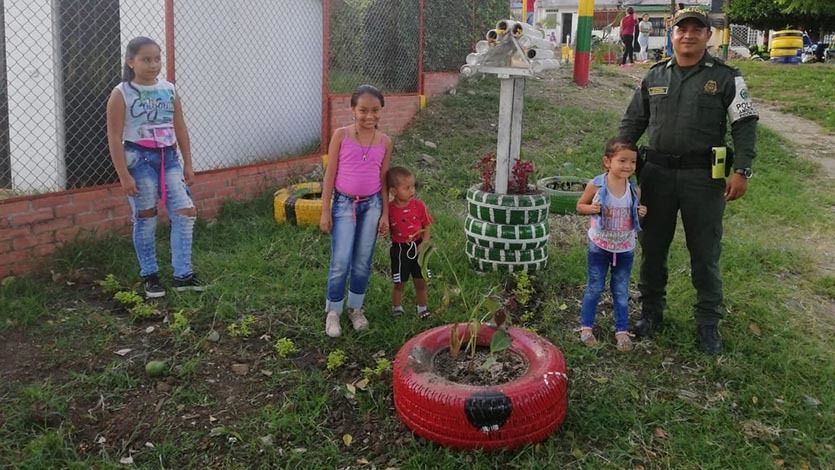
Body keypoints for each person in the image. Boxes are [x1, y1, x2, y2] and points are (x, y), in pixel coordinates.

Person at [619, 7, 758, 354]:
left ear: (708, 35)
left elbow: (745, 124)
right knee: (653, 248)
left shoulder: (727, 77)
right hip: (657, 176)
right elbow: (633, 121)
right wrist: (618, 163)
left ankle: (708, 324)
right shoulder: (654, 76)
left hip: (704, 178)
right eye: (682, 29)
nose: (689, 35)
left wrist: (742, 170)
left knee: (705, 251)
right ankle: (651, 312)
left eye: (697, 29)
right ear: (672, 33)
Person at [106, 36, 205, 299]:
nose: (153, 64)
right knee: (146, 216)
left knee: (185, 211)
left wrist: (188, 164)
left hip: (169, 158)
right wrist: (124, 176)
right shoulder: (121, 93)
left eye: (157, 58)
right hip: (139, 160)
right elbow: (114, 137)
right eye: (146, 59)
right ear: (131, 61)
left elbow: (180, 128)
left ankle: (183, 274)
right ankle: (150, 275)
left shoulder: (169, 89)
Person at [320, 84, 391, 338]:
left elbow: (384, 180)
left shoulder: (385, 141)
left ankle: (356, 308)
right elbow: (330, 175)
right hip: (343, 205)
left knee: (363, 260)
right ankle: (333, 311)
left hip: (371, 206)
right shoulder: (341, 136)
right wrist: (325, 210)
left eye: (375, 111)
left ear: (381, 111)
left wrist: (385, 214)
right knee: (341, 260)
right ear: (353, 109)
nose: (369, 116)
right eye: (363, 110)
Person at [575, 138, 647, 352]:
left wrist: (640, 212)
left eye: (632, 162)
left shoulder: (634, 190)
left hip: (625, 247)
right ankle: (586, 327)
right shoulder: (597, 184)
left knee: (621, 289)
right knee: (595, 286)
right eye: (622, 160)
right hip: (600, 246)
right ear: (607, 161)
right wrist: (593, 209)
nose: (628, 166)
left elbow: (634, 213)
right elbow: (580, 206)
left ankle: (622, 331)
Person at [386, 166, 433, 319]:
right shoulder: (389, 209)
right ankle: (397, 307)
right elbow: (385, 228)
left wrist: (424, 243)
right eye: (407, 188)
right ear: (393, 191)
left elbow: (427, 225)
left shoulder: (419, 206)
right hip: (400, 249)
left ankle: (422, 308)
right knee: (399, 281)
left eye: (413, 186)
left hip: (418, 246)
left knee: (420, 281)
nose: (412, 191)